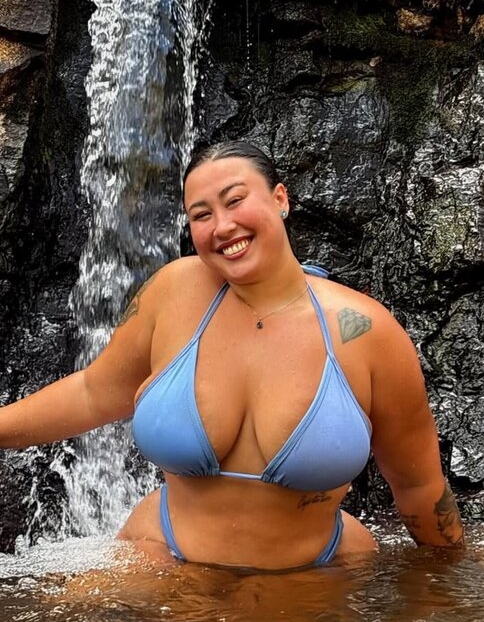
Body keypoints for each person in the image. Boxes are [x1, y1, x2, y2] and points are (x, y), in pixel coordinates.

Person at [0, 140, 464, 570]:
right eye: (201, 215)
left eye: (235, 200)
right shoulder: (173, 292)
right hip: (160, 556)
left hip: (316, 573)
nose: (222, 227)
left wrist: (451, 589)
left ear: (280, 199)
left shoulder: (366, 331)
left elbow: (418, 485)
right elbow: (93, 392)